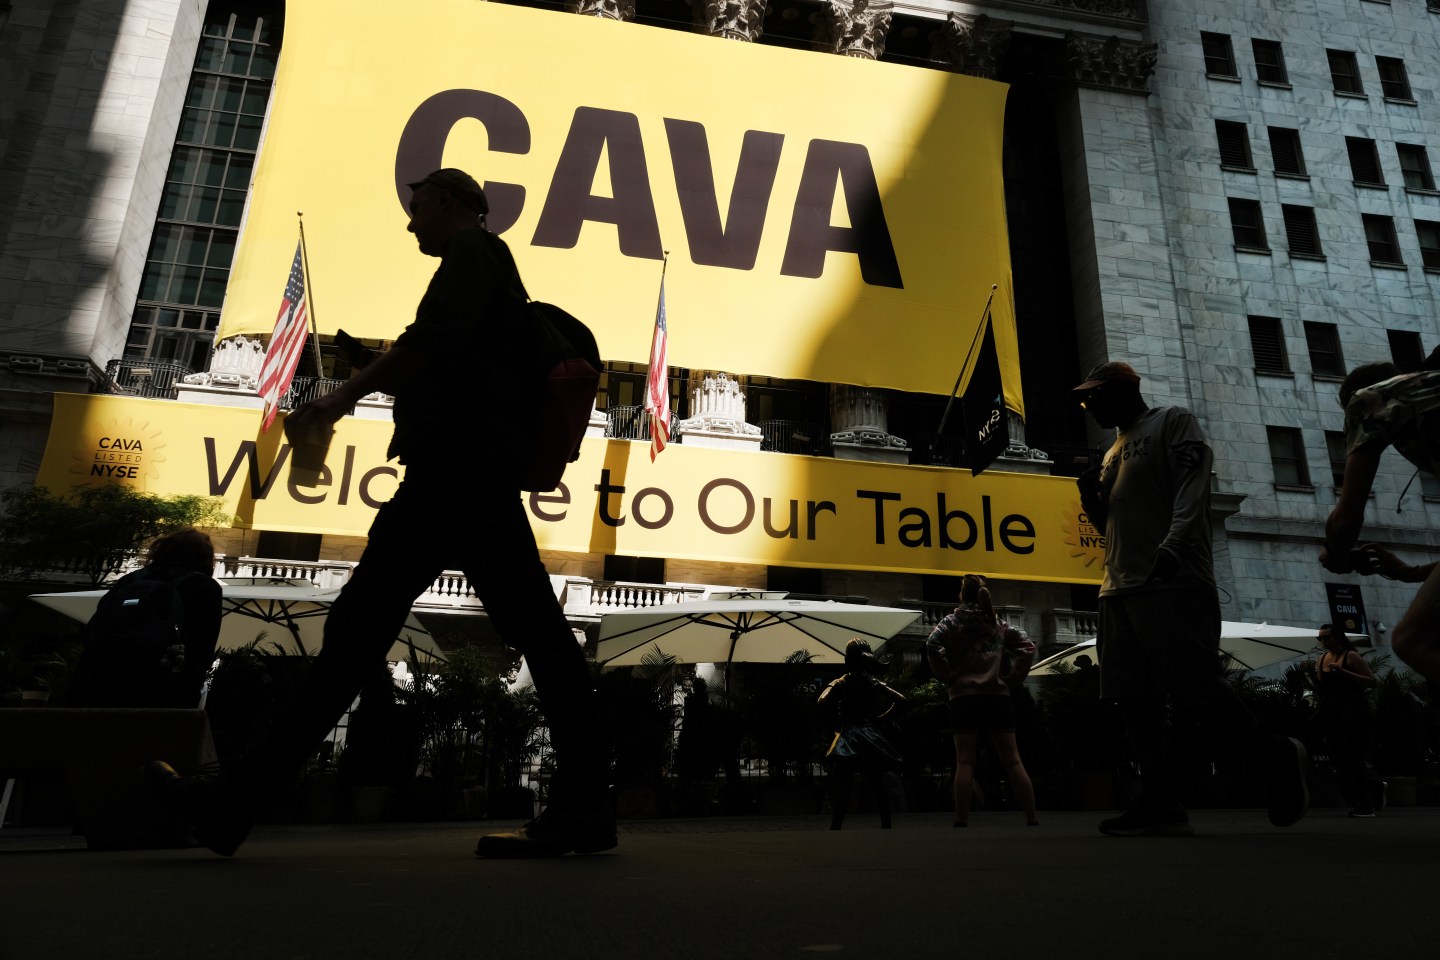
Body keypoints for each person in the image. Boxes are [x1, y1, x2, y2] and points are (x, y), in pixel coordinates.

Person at [148, 168, 612, 859]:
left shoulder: (474, 254)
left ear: (450, 202)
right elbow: (447, 358)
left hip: (458, 477)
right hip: (452, 477)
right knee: (376, 633)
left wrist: (338, 397)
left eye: (418, 207)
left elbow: (429, 346)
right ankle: (234, 801)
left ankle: (582, 808)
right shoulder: (489, 270)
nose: (410, 221)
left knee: (436, 635)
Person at [1073, 360, 1308, 836]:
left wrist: (1175, 545)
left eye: (1095, 396)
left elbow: (1192, 490)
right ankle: (1160, 799)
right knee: (1131, 696)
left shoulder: (1172, 422)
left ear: (1124, 390)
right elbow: (1112, 531)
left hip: (1172, 577)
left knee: (1194, 685)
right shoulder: (1111, 451)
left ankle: (1274, 753)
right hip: (1118, 586)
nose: (1089, 406)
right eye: (1086, 400)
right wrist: (1094, 506)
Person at [1321, 361, 1440, 686]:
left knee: (1412, 642)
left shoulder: (1368, 400)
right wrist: (1411, 573)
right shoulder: (1425, 397)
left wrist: (1335, 551)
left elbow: (1347, 520)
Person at [925, 574, 1038, 828]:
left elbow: (932, 645)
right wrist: (1013, 678)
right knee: (1012, 760)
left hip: (963, 697)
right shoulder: (998, 624)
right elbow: (1028, 647)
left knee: (965, 760)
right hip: (998, 697)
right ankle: (1031, 816)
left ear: (962, 595)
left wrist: (948, 676)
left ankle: (961, 819)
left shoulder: (951, 623)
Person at [70, 527, 221, 709]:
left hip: (101, 683)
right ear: (204, 557)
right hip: (163, 692)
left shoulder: (131, 580)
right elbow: (204, 648)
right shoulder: (205, 588)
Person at [816, 638, 907, 830]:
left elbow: (821, 702)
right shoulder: (872, 682)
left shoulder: (841, 682)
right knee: (877, 784)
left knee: (844, 787)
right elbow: (901, 700)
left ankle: (836, 825)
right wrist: (880, 719)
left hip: (848, 737)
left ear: (847, 660)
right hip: (869, 737)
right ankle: (886, 824)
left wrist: (835, 721)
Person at [1312, 624, 1378, 817]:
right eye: (1320, 639)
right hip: (1334, 712)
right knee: (1338, 756)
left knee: (1351, 755)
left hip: (1354, 709)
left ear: (1338, 637)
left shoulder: (1351, 656)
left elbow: (1372, 681)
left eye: (1326, 637)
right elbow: (1324, 688)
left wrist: (1344, 672)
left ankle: (1365, 805)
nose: (1323, 642)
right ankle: (1373, 789)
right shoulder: (1322, 659)